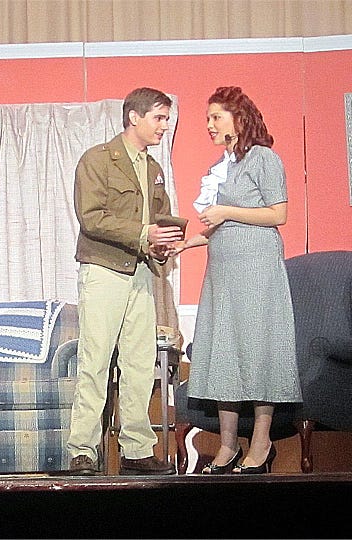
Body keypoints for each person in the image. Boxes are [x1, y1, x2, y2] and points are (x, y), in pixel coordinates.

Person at [174, 86, 302, 474]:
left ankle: (261, 444)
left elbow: (278, 214)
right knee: (225, 352)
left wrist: (226, 210)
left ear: (239, 119)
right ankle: (227, 445)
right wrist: (189, 242)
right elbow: (222, 223)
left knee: (257, 349)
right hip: (223, 274)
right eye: (208, 118)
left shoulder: (264, 158)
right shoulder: (225, 164)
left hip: (256, 270)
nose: (209, 125)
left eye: (216, 117)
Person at [67, 87, 185, 476]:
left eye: (166, 119)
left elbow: (160, 220)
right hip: (104, 270)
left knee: (138, 364)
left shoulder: (153, 169)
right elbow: (92, 217)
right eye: (159, 118)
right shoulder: (98, 159)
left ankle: (136, 449)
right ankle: (83, 450)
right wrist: (143, 234)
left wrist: (163, 245)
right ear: (134, 117)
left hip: (141, 273)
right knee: (96, 361)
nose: (164, 126)